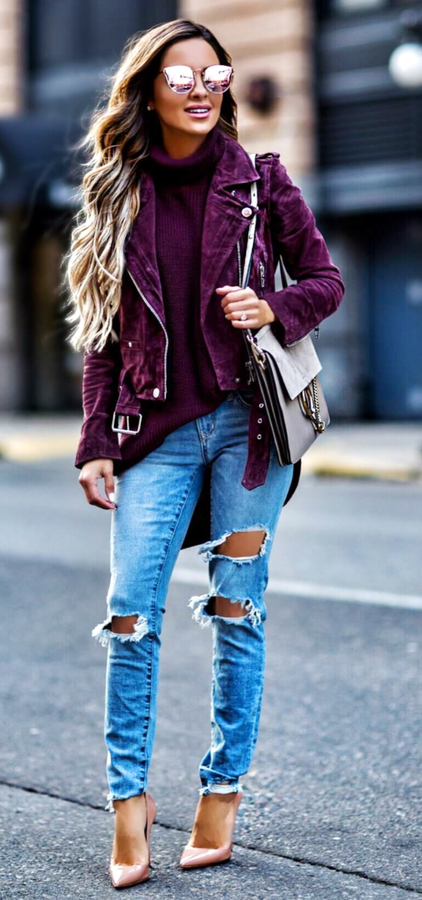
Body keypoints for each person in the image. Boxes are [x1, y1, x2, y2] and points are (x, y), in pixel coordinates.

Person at [66, 17, 345, 889]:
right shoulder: (118, 194)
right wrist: (93, 442)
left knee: (236, 610)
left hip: (251, 434)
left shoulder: (261, 182)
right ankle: (127, 806)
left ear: (226, 86)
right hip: (152, 434)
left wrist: (274, 310)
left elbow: (324, 281)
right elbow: (105, 334)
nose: (198, 87)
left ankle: (221, 793)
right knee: (129, 616)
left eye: (212, 73)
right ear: (148, 89)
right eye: (180, 75)